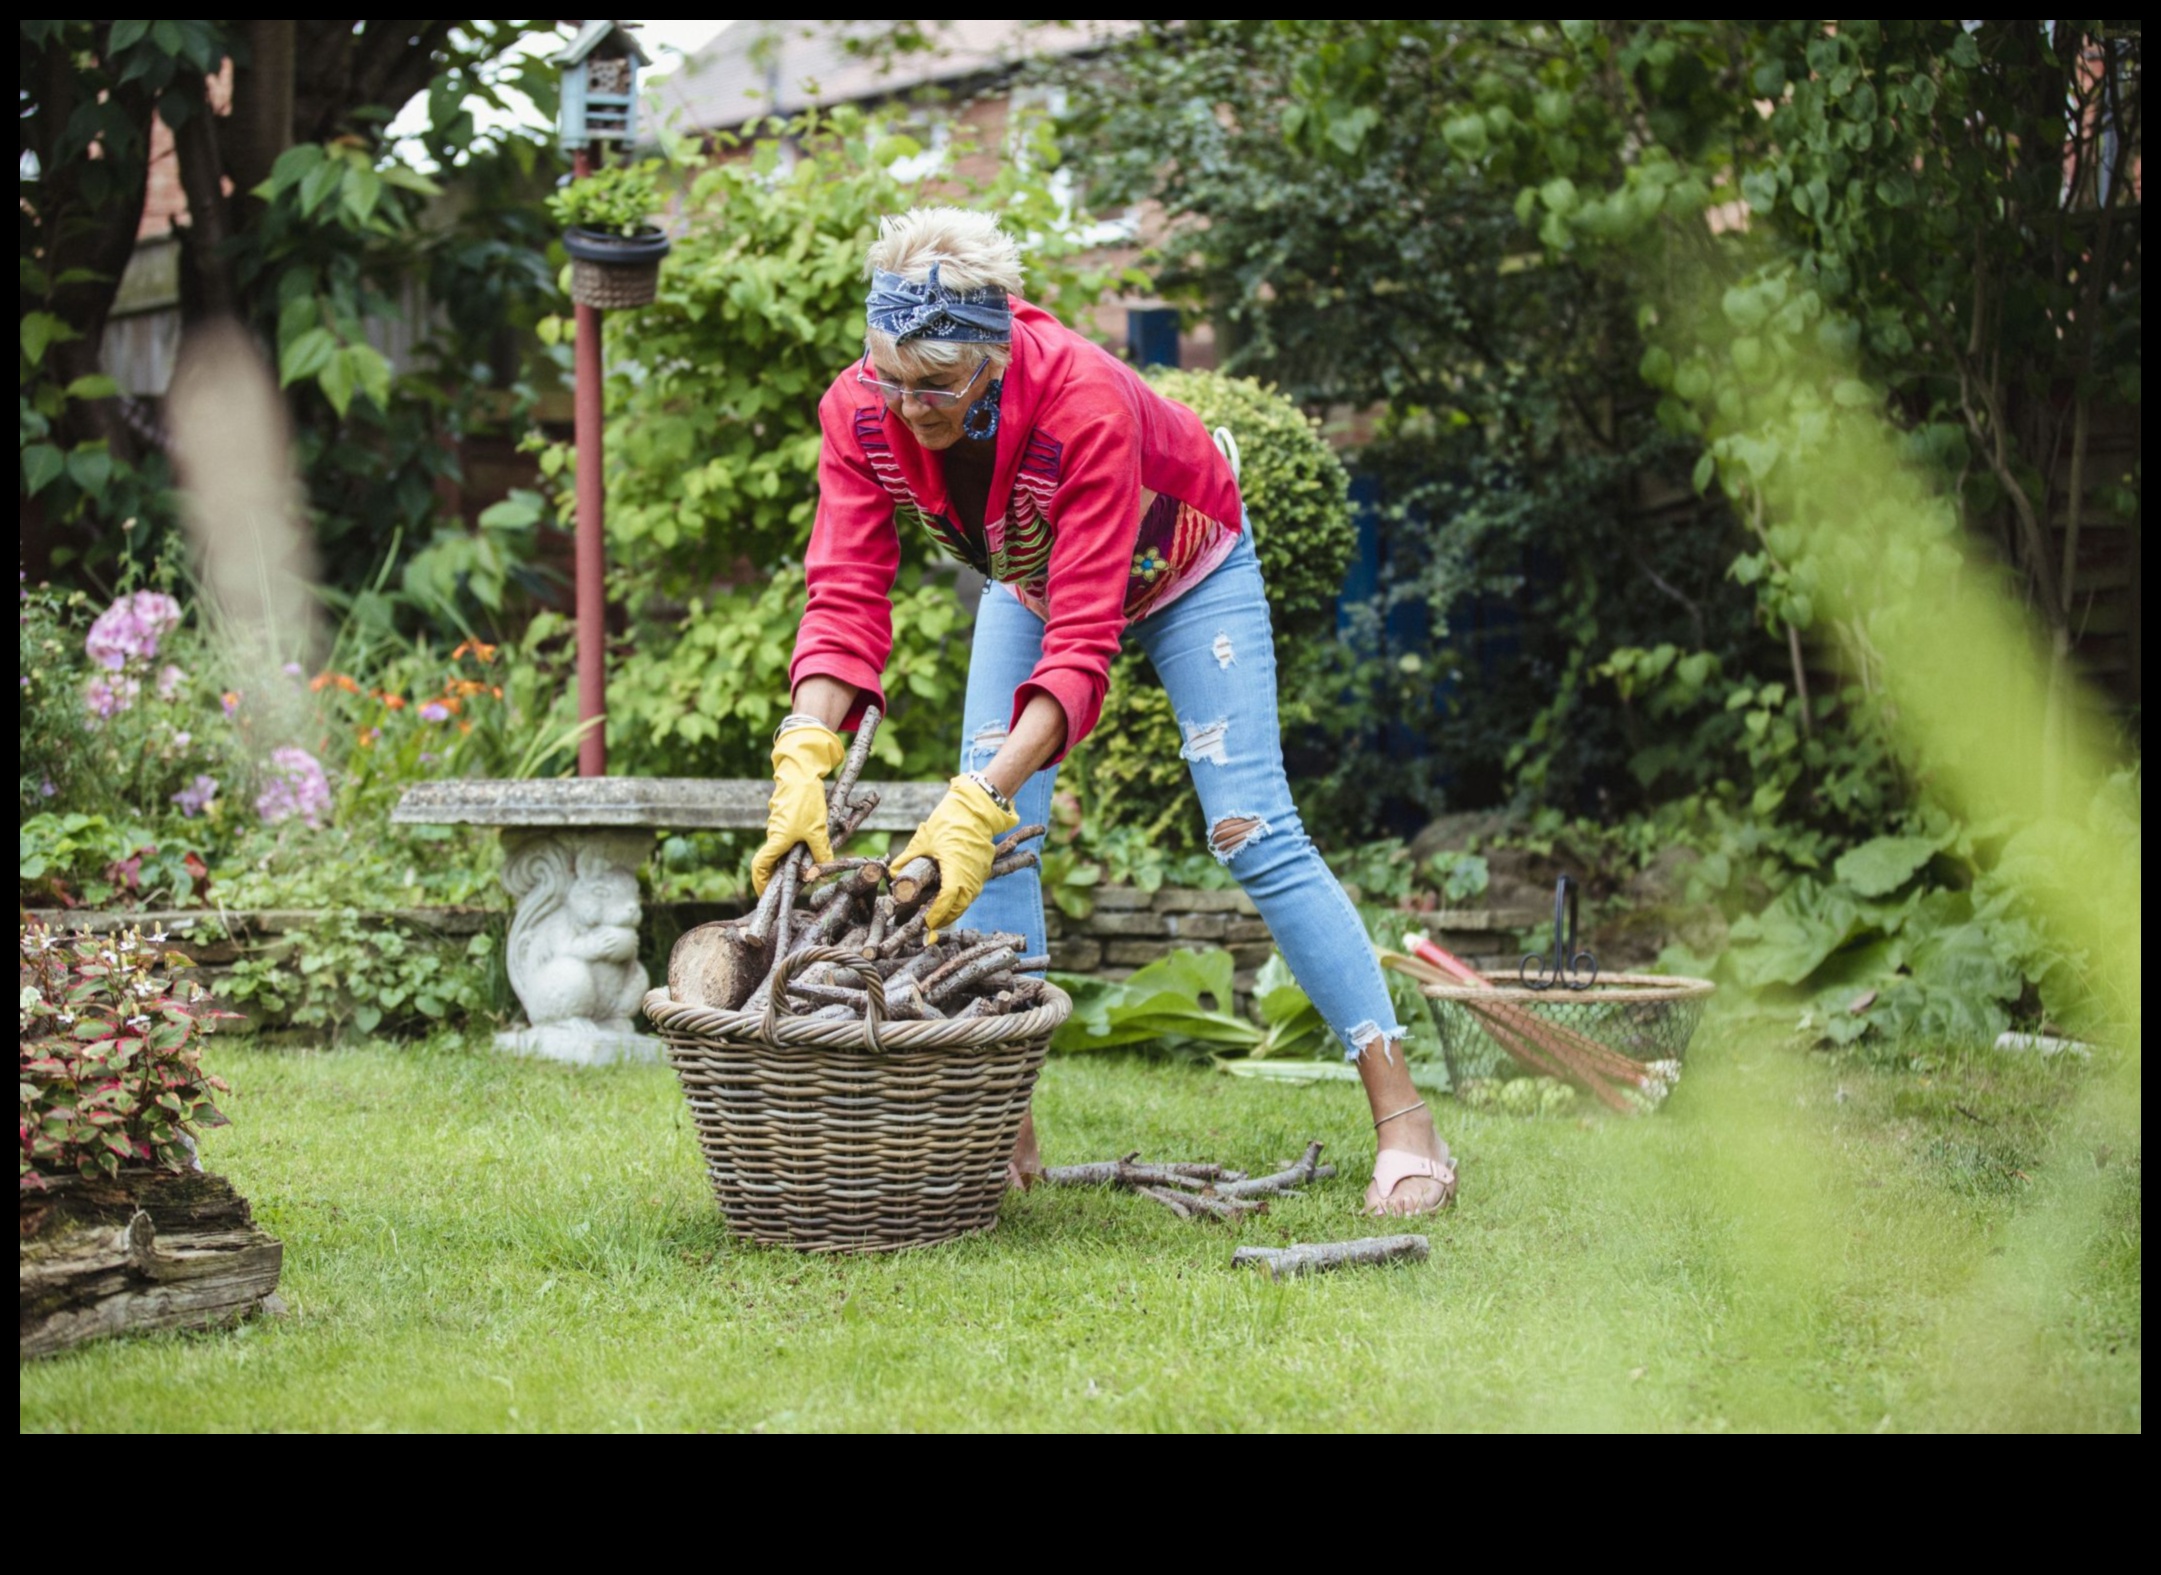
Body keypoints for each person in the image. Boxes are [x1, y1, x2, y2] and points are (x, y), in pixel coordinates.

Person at [753, 207, 1455, 1216]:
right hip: (1029, 576)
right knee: (994, 841)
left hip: (1187, 563)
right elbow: (846, 595)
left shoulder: (1077, 398)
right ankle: (1000, 1141)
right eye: (892, 379)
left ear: (991, 359)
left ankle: (1405, 1121)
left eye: (938, 384)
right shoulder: (859, 410)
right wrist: (804, 754)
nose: (910, 407)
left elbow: (1085, 654)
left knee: (1249, 825)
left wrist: (976, 795)